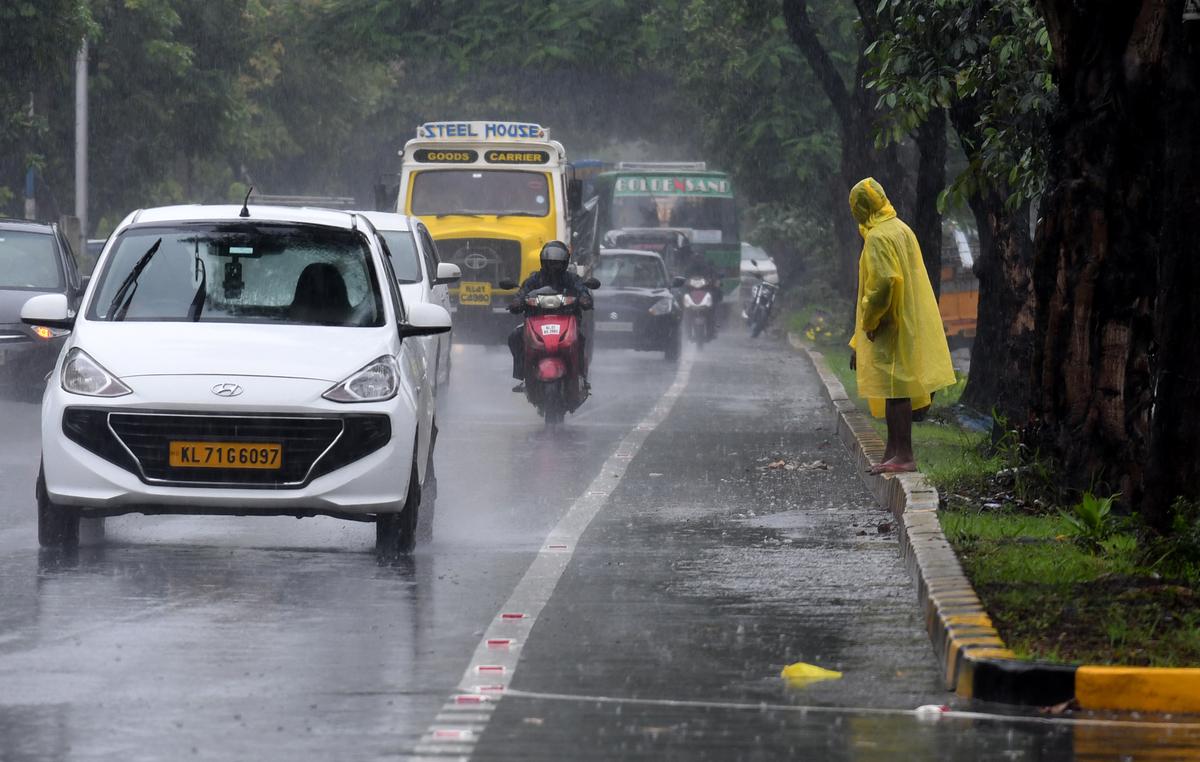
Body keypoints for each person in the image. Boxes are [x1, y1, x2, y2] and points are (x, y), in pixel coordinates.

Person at [847, 177, 956, 474]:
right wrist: (858, 341)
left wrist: (870, 323)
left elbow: (882, 284)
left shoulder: (879, 237)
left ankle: (904, 455)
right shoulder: (900, 228)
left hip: (891, 323)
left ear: (860, 208)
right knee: (895, 386)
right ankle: (892, 452)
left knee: (896, 390)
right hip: (907, 319)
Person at [507, 241, 594, 392]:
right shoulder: (534, 279)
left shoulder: (572, 279)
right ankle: (522, 375)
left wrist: (584, 298)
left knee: (580, 338)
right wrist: (517, 301)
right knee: (515, 336)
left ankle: (581, 376)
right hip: (536, 321)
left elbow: (582, 290)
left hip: (567, 321)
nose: (554, 266)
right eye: (550, 263)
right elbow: (522, 292)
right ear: (543, 262)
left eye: (558, 263)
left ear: (565, 263)